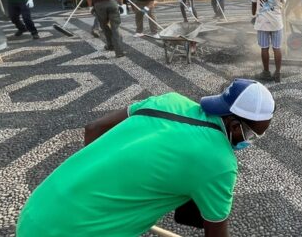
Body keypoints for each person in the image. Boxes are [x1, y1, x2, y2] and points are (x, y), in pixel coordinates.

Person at [16, 78, 276, 237]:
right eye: (252, 135)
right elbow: (216, 229)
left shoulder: (167, 101)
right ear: (234, 125)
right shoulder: (218, 163)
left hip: (37, 211)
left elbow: (93, 129)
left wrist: (99, 176)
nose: (247, 142)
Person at [249, 0, 287, 83]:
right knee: (277, 48)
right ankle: (278, 73)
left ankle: (266, 72)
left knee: (264, 48)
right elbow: (282, 4)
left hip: (262, 22)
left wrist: (254, 14)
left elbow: (254, 3)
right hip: (276, 23)